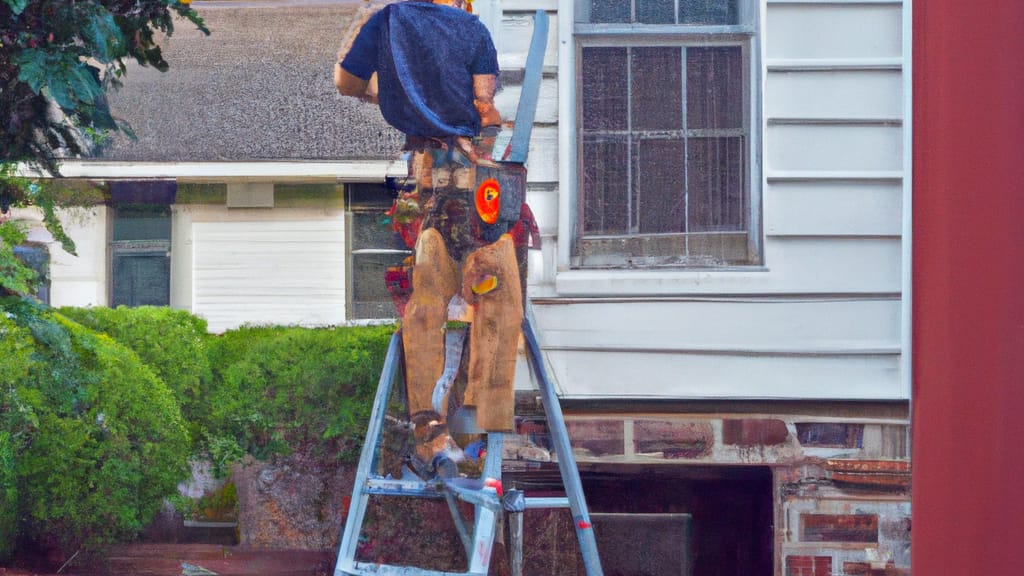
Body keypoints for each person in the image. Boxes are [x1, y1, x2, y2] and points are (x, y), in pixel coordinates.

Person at [334, 0, 523, 478]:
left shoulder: (387, 20)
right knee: (494, 299)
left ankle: (431, 431)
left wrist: (393, 90)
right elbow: (487, 109)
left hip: (441, 189)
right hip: (478, 185)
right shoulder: (472, 29)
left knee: (427, 306)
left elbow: (346, 83)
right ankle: (478, 432)